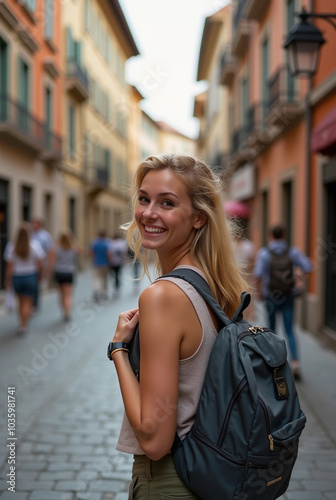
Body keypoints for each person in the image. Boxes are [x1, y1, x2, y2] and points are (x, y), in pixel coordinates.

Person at [109, 154, 248, 499]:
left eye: (167, 203)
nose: (148, 213)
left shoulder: (163, 297)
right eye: (144, 199)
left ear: (199, 218)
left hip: (171, 480)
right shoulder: (214, 285)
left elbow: (154, 440)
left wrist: (118, 351)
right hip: (212, 473)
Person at [254, 224, 313, 379]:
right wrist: (298, 279)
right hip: (288, 295)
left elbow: (258, 274)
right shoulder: (292, 251)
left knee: (271, 331)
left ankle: (274, 364)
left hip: (271, 296)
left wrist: (259, 293)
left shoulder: (264, 253)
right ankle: (295, 363)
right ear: (284, 236)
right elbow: (308, 266)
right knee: (290, 330)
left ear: (270, 236)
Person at [4, 222, 44, 334]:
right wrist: (40, 275)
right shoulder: (35, 246)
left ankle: (21, 323)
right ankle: (24, 324)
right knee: (28, 302)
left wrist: (7, 280)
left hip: (17, 277)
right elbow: (40, 264)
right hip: (30, 276)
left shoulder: (11, 246)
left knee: (20, 301)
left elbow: (9, 266)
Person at [53, 229, 79, 322]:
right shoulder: (73, 248)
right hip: (69, 272)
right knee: (68, 295)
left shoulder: (57, 249)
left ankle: (64, 311)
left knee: (61, 294)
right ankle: (68, 312)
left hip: (59, 272)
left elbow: (53, 261)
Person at [31, 218, 54, 310]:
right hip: (30, 264)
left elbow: (50, 251)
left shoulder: (45, 236)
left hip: (40, 264)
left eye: (35, 224)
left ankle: (35, 303)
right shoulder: (30, 235)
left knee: (36, 283)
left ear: (39, 225)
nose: (33, 226)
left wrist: (49, 267)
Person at [90, 230, 110, 302]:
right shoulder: (106, 243)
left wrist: (93, 261)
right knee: (105, 279)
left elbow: (92, 253)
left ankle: (96, 291)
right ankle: (104, 292)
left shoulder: (94, 243)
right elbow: (108, 254)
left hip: (97, 263)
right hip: (105, 263)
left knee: (97, 279)